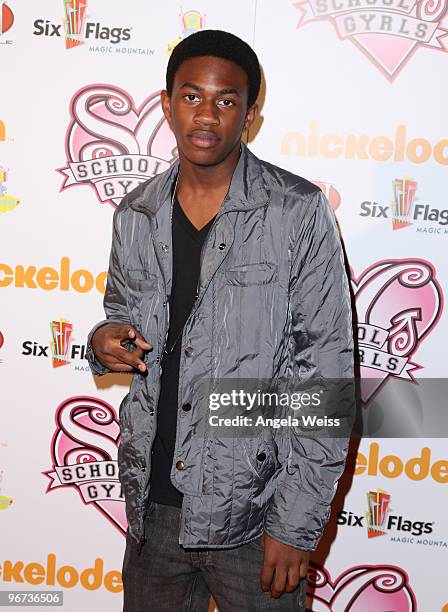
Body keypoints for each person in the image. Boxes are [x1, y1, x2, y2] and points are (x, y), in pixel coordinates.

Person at [86, 29, 354, 612]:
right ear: (166, 102)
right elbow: (121, 317)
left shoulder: (296, 212)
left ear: (250, 114)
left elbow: (326, 381)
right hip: (153, 512)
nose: (206, 115)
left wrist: (296, 523)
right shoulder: (137, 212)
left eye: (226, 100)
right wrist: (103, 340)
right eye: (191, 96)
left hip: (255, 516)